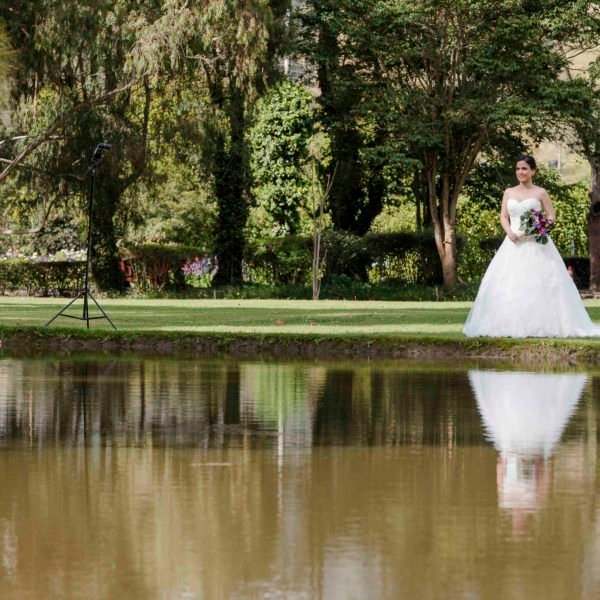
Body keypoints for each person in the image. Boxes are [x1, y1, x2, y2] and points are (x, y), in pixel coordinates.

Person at [463, 155, 600, 337]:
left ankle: (545, 325)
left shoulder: (540, 192)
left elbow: (551, 216)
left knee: (542, 282)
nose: (521, 172)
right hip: (513, 243)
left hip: (537, 244)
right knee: (509, 283)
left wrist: (539, 226)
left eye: (525, 169)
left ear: (533, 171)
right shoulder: (509, 192)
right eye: (518, 168)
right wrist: (509, 232)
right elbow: (503, 216)